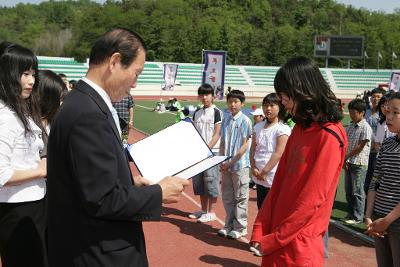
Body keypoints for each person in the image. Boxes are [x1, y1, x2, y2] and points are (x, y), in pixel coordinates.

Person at [47, 28, 189, 267]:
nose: (135, 83)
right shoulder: (87, 113)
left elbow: (85, 179)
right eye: (136, 73)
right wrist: (159, 193)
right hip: (97, 252)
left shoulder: (82, 103)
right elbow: (101, 199)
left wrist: (128, 181)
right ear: (114, 61)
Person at [250, 56, 347, 266]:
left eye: (285, 96)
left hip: (299, 247)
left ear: (303, 90)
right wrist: (261, 226)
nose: (282, 102)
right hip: (277, 239)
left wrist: (275, 238)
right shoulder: (299, 129)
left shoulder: (329, 136)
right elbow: (279, 184)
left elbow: (311, 200)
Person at [0, 42, 48, 267]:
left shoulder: (20, 110)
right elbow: (1, 174)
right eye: (24, 74)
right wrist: (40, 170)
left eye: (33, 74)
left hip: (32, 204)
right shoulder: (5, 117)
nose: (31, 81)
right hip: (17, 209)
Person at [365, 92, 400, 267]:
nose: (389, 117)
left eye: (396, 112)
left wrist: (387, 221)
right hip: (379, 218)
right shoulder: (387, 143)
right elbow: (376, 179)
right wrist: (369, 215)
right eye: (388, 112)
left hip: (396, 221)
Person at [218, 89, 252, 239]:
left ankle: (240, 227)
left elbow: (245, 145)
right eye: (230, 101)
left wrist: (231, 162)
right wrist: (221, 160)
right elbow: (223, 142)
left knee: (240, 197)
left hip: (240, 166)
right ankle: (228, 225)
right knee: (227, 197)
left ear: (242, 103)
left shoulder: (245, 120)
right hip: (226, 165)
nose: (232, 104)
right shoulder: (225, 119)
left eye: (236, 102)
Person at [188, 83, 223, 223]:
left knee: (211, 181)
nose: (204, 97)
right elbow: (195, 132)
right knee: (200, 182)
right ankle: (203, 210)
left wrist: (206, 149)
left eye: (207, 94)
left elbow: (217, 134)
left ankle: (211, 211)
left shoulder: (216, 112)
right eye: (202, 94)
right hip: (198, 153)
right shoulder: (197, 112)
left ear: (212, 96)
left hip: (211, 153)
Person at [250, 93, 290, 210]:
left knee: (273, 209)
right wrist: (253, 167)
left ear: (280, 107)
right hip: (258, 174)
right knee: (261, 207)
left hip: (273, 176)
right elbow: (253, 148)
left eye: (272, 105)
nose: (268, 108)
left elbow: (278, 153)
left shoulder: (282, 128)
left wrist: (265, 171)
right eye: (265, 105)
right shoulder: (258, 127)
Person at [344, 98, 372, 224]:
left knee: (358, 191)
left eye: (354, 112)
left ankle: (358, 217)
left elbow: (360, 146)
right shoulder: (350, 126)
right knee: (349, 190)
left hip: (359, 164)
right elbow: (345, 143)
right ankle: (350, 214)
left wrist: (346, 156)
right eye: (350, 112)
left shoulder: (366, 127)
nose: (351, 115)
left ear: (362, 113)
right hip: (350, 162)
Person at [364, 87, 385, 195]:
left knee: (375, 177)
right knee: (365, 176)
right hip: (365, 150)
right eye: (373, 97)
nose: (375, 99)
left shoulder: (383, 114)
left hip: (377, 151)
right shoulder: (366, 112)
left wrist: (375, 146)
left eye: (378, 97)